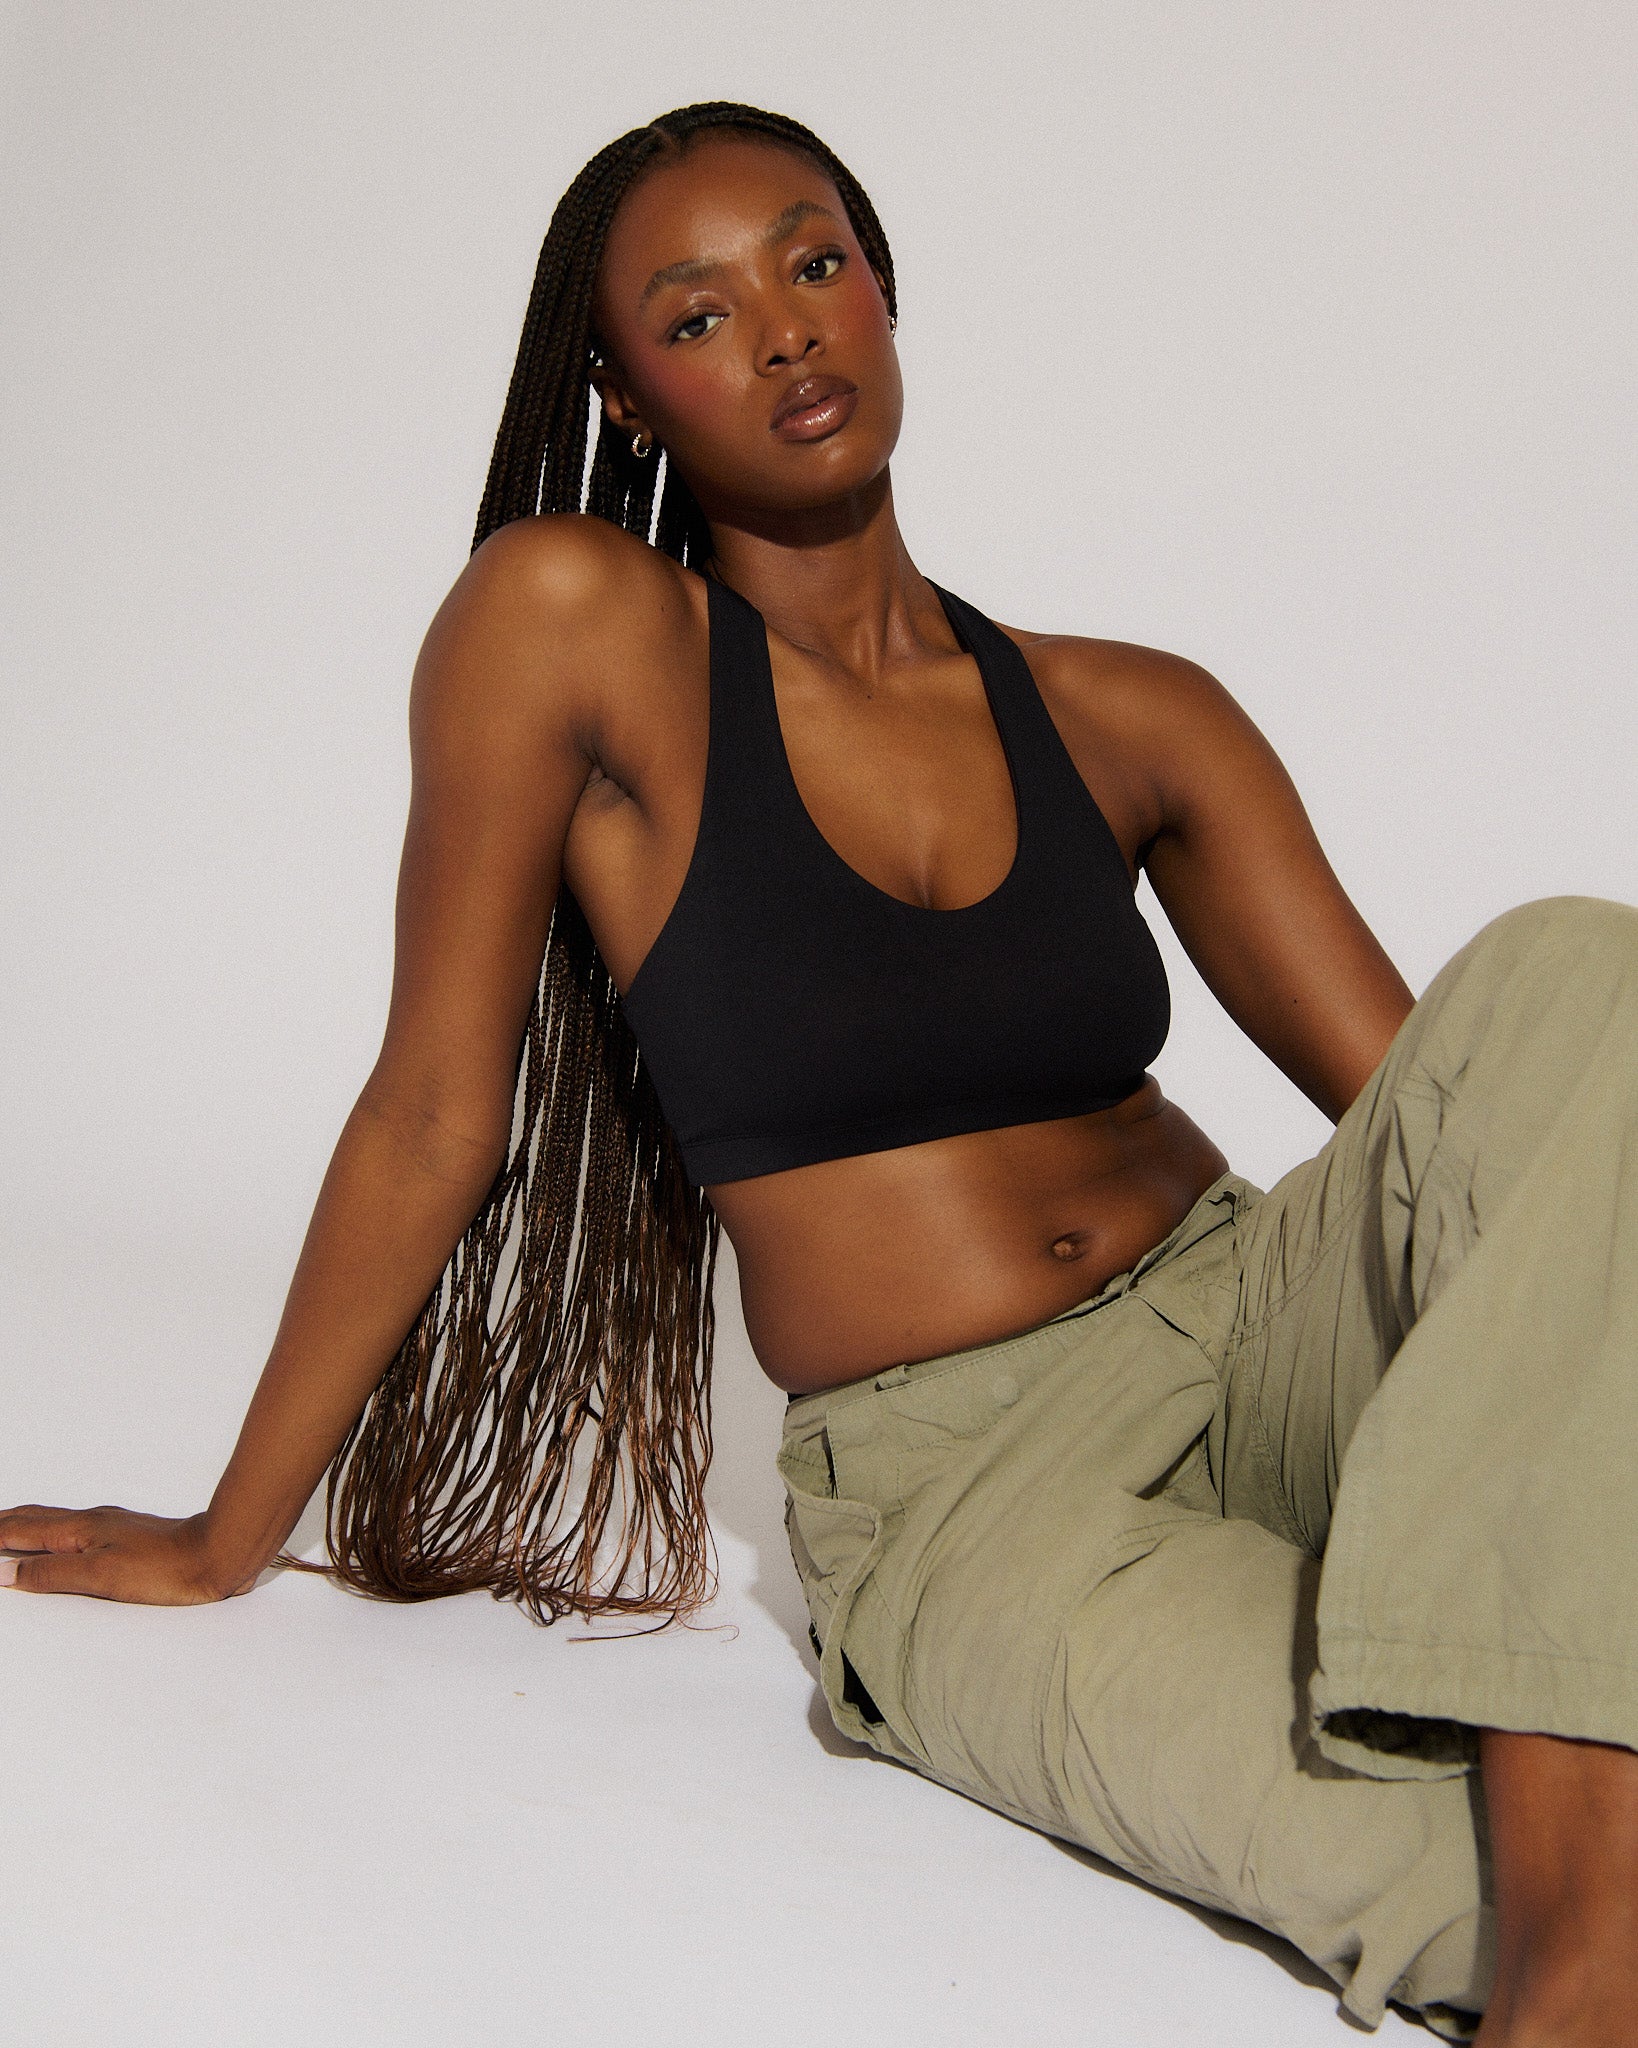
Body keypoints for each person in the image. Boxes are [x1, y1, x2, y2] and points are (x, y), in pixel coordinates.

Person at [4, 100, 1636, 2045]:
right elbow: (434, 1111)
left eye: (813, 263)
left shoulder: (1130, 710)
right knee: (1484, 1874)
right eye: (697, 315)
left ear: (881, 292)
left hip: (1268, 1329)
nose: (781, 328)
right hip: (985, 1498)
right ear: (624, 398)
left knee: (1576, 969)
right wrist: (226, 1533)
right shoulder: (574, 624)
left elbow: (1498, 1150)